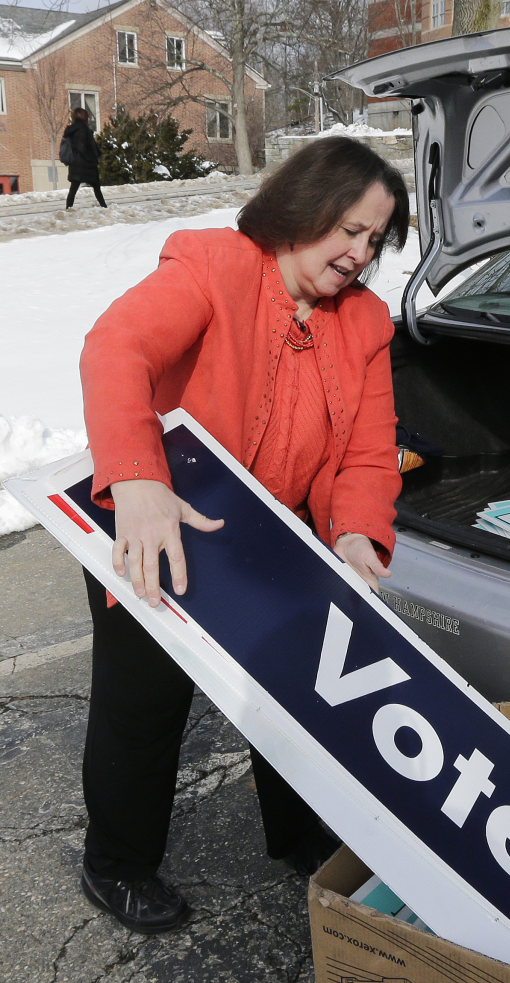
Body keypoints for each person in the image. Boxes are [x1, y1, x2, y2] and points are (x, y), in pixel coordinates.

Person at [77, 136, 410, 934]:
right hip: (163, 521)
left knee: (293, 701)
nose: (360, 254)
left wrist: (359, 534)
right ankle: (115, 864)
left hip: (274, 537)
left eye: (375, 239)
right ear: (304, 210)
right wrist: (140, 480)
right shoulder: (214, 266)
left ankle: (299, 839)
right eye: (350, 231)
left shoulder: (363, 322)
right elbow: (113, 349)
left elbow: (369, 450)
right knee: (145, 706)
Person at [63, 106, 108, 208]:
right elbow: (83, 146)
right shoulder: (83, 128)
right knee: (96, 186)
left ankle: (68, 208)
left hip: (75, 163)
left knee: (73, 188)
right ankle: (104, 207)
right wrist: (92, 159)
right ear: (84, 117)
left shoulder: (73, 129)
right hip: (86, 164)